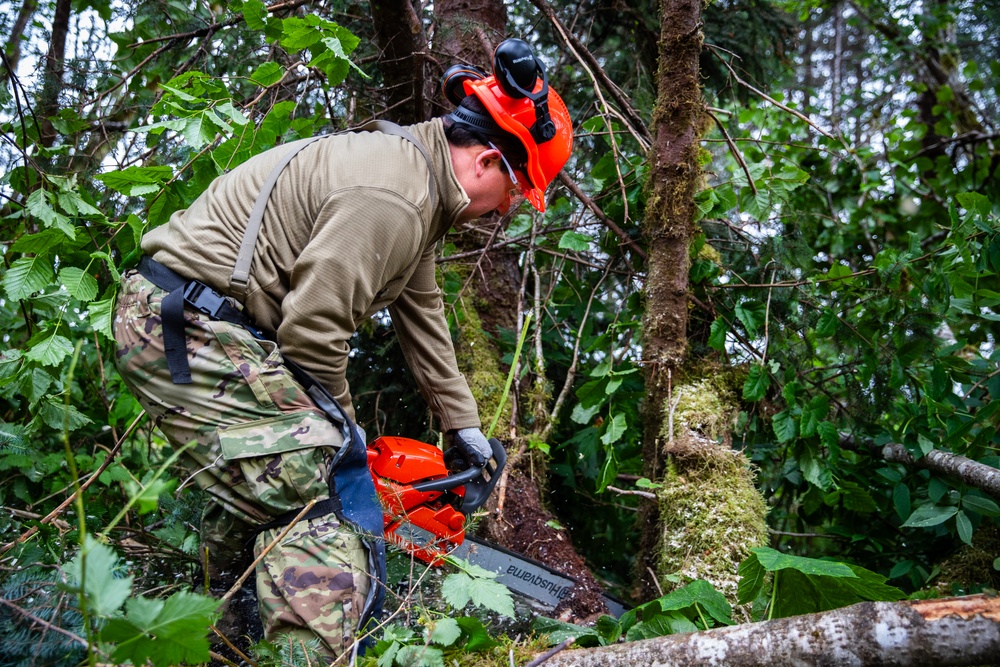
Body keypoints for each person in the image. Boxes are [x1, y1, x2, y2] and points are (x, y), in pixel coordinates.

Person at [112, 38, 573, 660]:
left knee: (279, 488)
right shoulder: (396, 197)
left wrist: (463, 427)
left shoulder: (418, 180)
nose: (505, 211)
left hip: (204, 327)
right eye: (515, 193)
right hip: (190, 328)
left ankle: (222, 635)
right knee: (326, 499)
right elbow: (313, 328)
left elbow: (422, 310)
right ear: (488, 161)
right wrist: (348, 442)